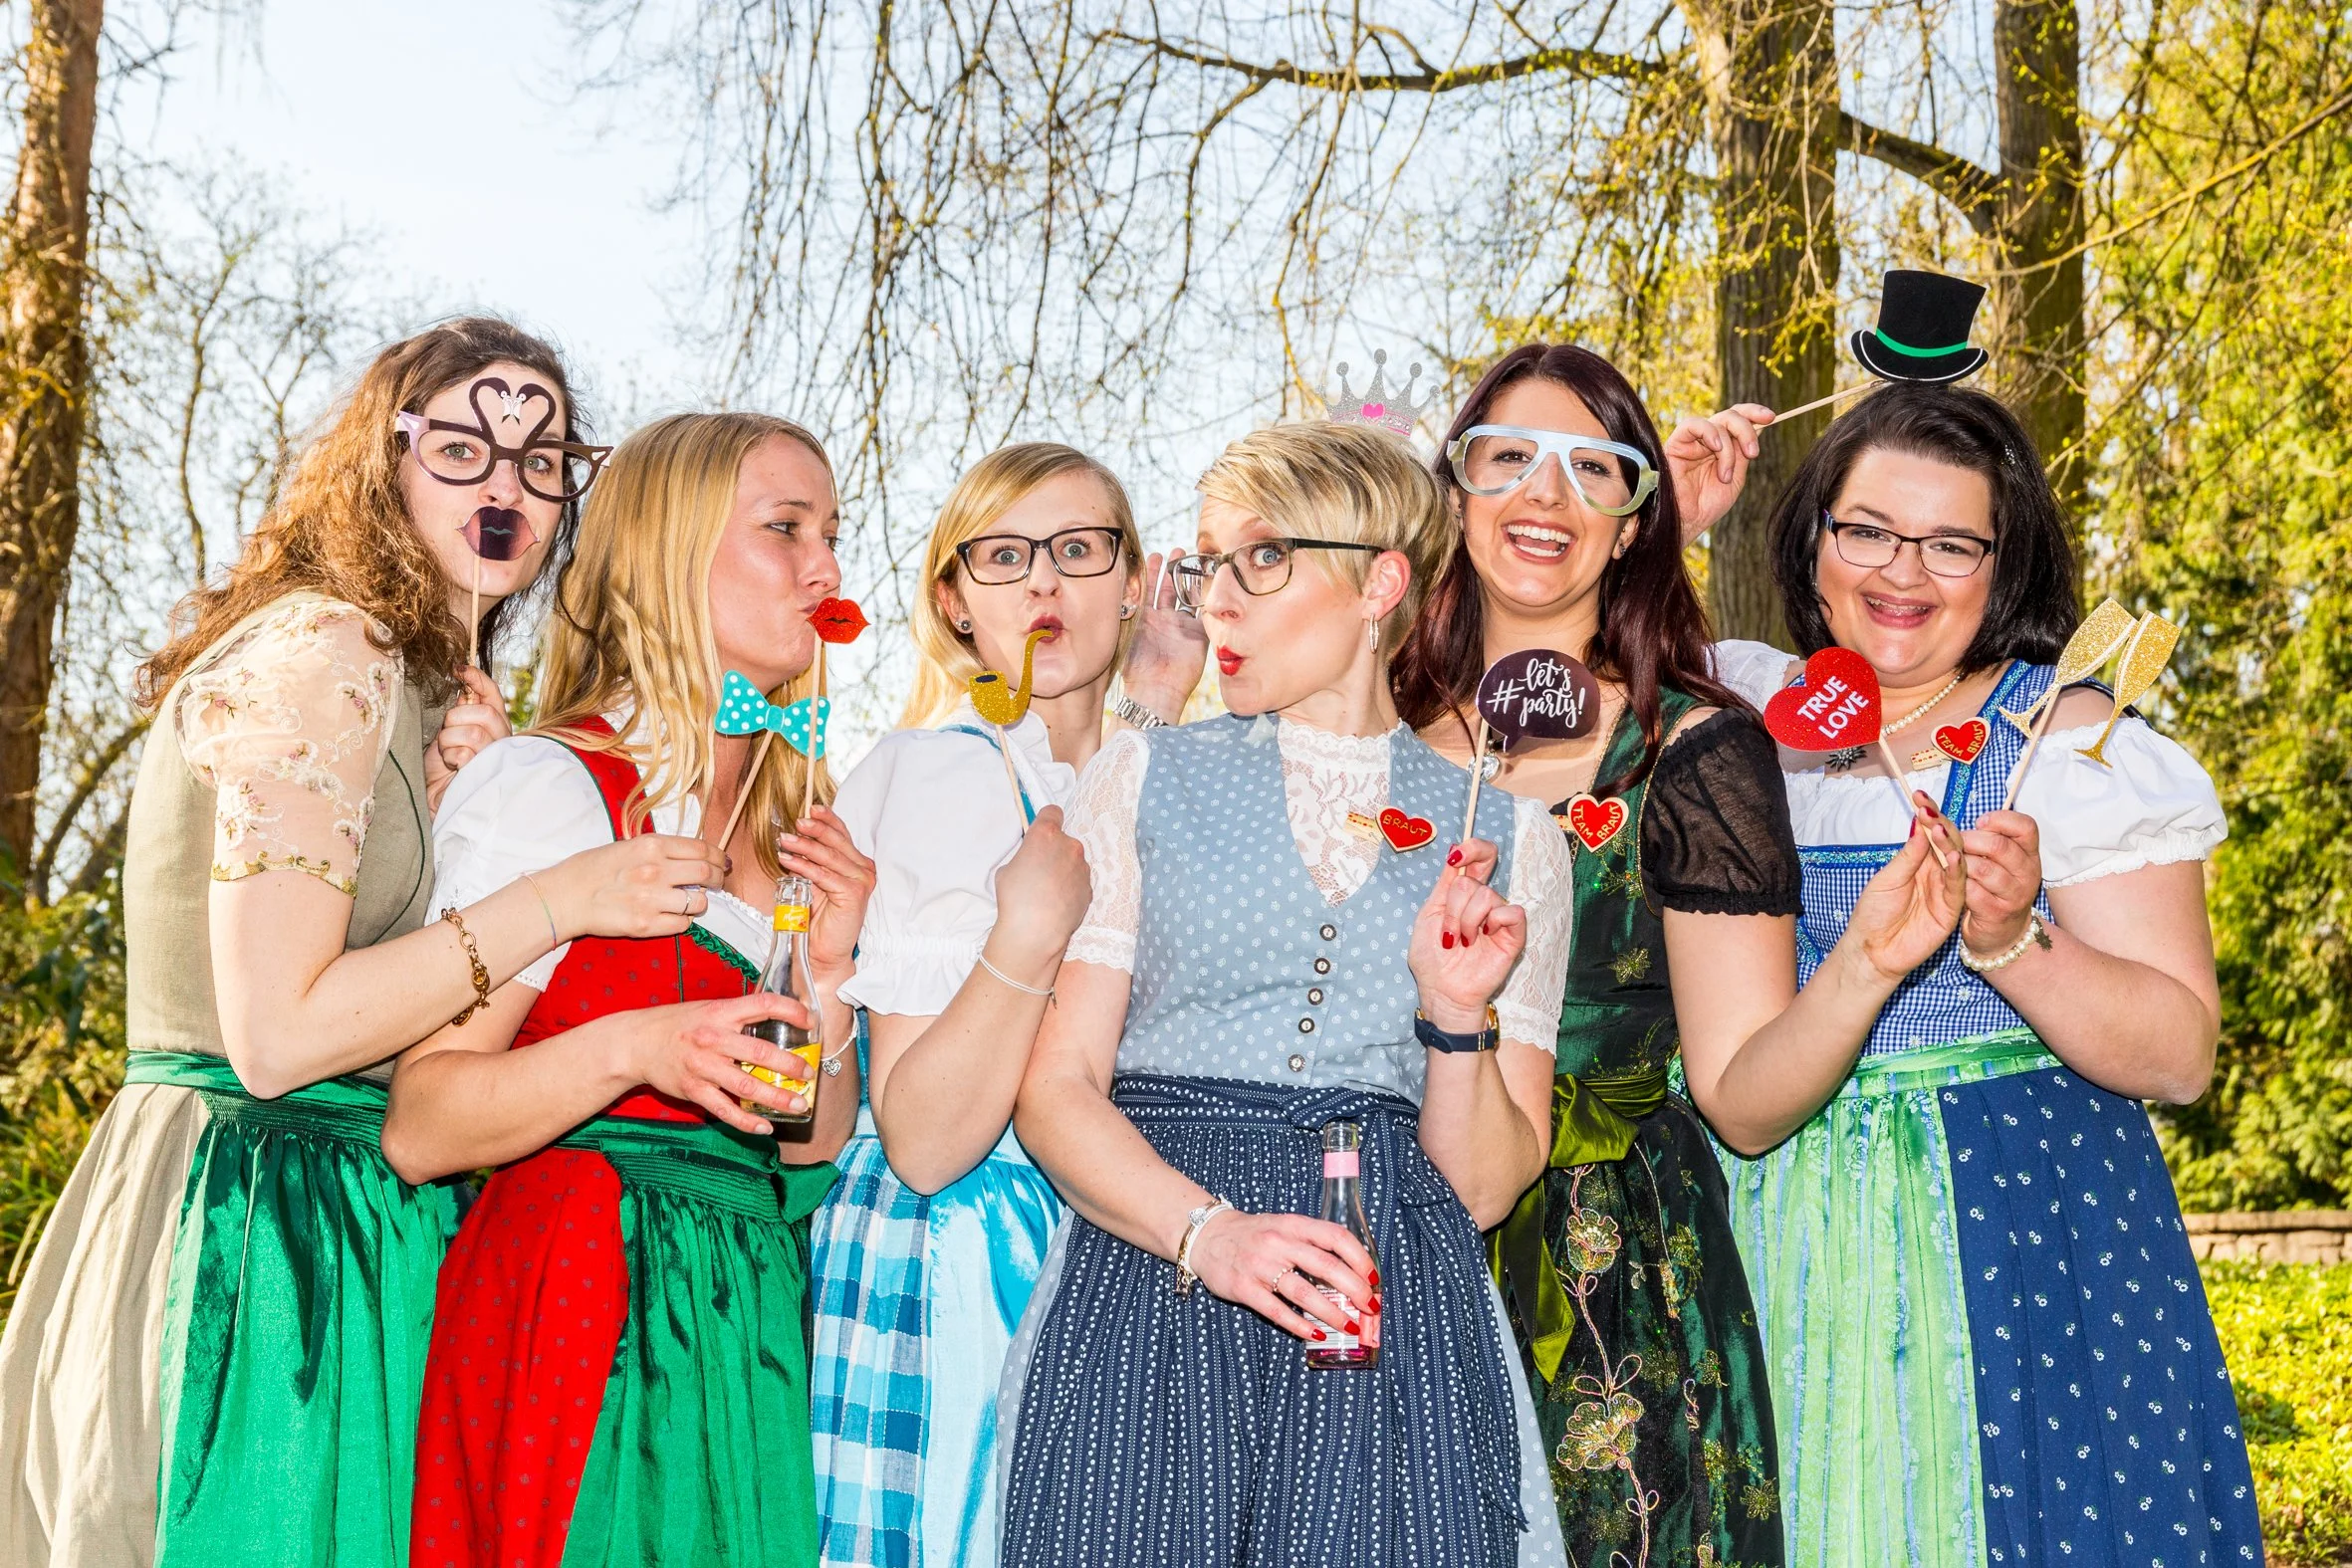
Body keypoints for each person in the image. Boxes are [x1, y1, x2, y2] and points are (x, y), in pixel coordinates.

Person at [0, 318, 720, 1568]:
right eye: (463, 446)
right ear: (382, 459)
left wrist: (454, 819)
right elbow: (278, 1037)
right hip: (243, 1225)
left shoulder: (433, 689)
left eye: (544, 459)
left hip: (354, 1225)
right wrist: (556, 896)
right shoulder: (325, 649)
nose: (506, 485)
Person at [1391, 342, 1968, 1566]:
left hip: (1606, 1284)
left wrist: (1864, 965)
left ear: (1632, 519)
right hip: (1365, 1236)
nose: (1544, 497)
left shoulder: (1697, 751)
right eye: (1509, 460)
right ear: (1453, 490)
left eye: (1590, 469)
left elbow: (1742, 1100)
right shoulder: (1360, 719)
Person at [1699, 382, 2260, 1565]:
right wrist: (1671, 520)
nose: (1902, 573)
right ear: (1811, 541)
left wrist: (2012, 938)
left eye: (1952, 543)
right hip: (1775, 1226)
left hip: (2027, 1229)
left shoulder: (2062, 739)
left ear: (2001, 567)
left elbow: (2179, 1051)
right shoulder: (1741, 714)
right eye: (1866, 530)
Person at [1000, 420, 1576, 1567]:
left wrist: (1453, 1019)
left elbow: (1483, 1190)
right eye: (1209, 563)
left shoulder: (1513, 838)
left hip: (1386, 1310)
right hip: (1154, 1278)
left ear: (1380, 583)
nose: (1219, 599)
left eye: (1262, 558)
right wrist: (1205, 1235)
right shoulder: (1139, 772)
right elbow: (1054, 1090)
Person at [385, 411, 867, 1568]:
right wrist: (634, 1048)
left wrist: (838, 976)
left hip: (742, 1313)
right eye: (785, 529)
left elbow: (805, 1150)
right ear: (669, 549)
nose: (828, 568)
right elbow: (423, 1121)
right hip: (575, 1301)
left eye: (834, 534)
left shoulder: (803, 829)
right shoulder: (551, 786)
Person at [809, 441, 1204, 1567]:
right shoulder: (938, 773)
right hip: (963, 1257)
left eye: (1079, 549)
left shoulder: (1145, 759)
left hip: (1115, 1237)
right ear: (954, 599)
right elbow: (929, 1141)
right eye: (1003, 555)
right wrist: (1025, 934)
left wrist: (1157, 707)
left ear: (1135, 580)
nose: (1044, 583)